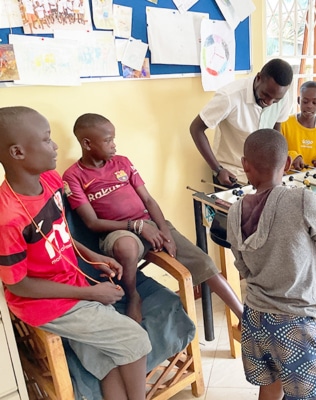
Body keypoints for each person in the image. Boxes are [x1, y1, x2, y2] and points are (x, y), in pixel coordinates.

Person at [0, 106, 151, 400]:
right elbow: (18, 285)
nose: (55, 146)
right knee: (136, 340)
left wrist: (93, 257)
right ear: (18, 153)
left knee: (107, 363)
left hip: (72, 282)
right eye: (46, 140)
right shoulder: (8, 218)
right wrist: (92, 294)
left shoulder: (51, 181)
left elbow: (61, 235)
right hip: (45, 302)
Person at [62, 113, 243, 323]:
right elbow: (92, 223)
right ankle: (132, 297)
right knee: (126, 247)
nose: (114, 145)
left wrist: (165, 232)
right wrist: (135, 226)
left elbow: (148, 200)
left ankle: (242, 316)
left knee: (204, 262)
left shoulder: (122, 163)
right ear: (87, 143)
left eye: (113, 139)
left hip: (150, 224)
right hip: (117, 232)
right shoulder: (74, 176)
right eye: (108, 140)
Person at [226, 128, 316, 400]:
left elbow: (244, 268)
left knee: (270, 386)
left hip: (255, 319)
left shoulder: (234, 211)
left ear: (244, 164)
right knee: (307, 396)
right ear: (286, 164)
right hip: (296, 323)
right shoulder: (301, 199)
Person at [190, 58, 294, 187]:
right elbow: (196, 129)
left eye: (276, 100)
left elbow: (275, 133)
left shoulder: (283, 97)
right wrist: (218, 169)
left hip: (264, 174)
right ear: (258, 78)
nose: (269, 102)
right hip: (232, 174)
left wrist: (278, 166)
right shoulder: (229, 96)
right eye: (265, 94)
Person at [281, 80, 316, 170]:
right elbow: (277, 149)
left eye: (315, 102)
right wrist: (293, 156)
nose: (309, 106)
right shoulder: (285, 123)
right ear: (299, 100)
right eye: (305, 101)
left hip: (314, 179)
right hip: (287, 178)